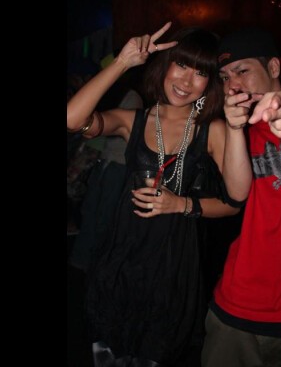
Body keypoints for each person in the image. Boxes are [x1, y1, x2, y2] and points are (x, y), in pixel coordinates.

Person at [67, 22, 242, 367]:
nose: (187, 81)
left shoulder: (214, 130)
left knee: (156, 351)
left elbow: (234, 203)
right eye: (182, 64)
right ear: (165, 65)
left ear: (210, 82)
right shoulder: (133, 120)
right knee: (108, 350)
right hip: (120, 256)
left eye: (200, 73)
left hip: (172, 265)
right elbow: (73, 121)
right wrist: (122, 62)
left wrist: (181, 204)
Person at [201, 27, 281, 367]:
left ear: (273, 67)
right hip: (237, 301)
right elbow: (237, 194)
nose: (232, 85)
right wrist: (234, 129)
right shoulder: (237, 132)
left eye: (242, 70)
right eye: (225, 77)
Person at [68, 89, 143, 271]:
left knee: (105, 215)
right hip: (105, 160)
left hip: (119, 164)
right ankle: (80, 260)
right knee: (90, 210)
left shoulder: (132, 97)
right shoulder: (114, 94)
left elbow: (125, 132)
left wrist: (98, 129)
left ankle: (98, 266)